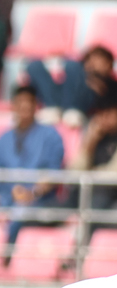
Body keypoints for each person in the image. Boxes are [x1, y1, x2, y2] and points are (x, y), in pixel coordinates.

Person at [0, 87, 64, 247]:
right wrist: (13, 192)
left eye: (28, 102)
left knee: (20, 212)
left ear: (36, 105)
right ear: (13, 106)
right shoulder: (4, 139)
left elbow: (53, 174)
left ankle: (8, 256)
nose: (24, 106)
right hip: (6, 198)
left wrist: (33, 192)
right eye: (20, 102)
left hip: (40, 201)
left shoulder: (51, 136)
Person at [69, 95, 117, 234]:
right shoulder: (93, 140)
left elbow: (114, 174)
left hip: (110, 195)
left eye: (111, 112)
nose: (106, 117)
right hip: (83, 192)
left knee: (91, 211)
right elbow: (74, 171)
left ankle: (80, 244)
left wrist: (90, 173)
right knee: (50, 210)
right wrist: (90, 141)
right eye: (102, 113)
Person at [25, 45, 117, 123]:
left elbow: (106, 105)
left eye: (102, 61)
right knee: (35, 66)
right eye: (93, 59)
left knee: (72, 66)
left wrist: (95, 84)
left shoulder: (113, 85)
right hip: (57, 99)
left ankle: (68, 110)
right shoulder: (76, 70)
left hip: (78, 107)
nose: (94, 63)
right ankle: (53, 109)